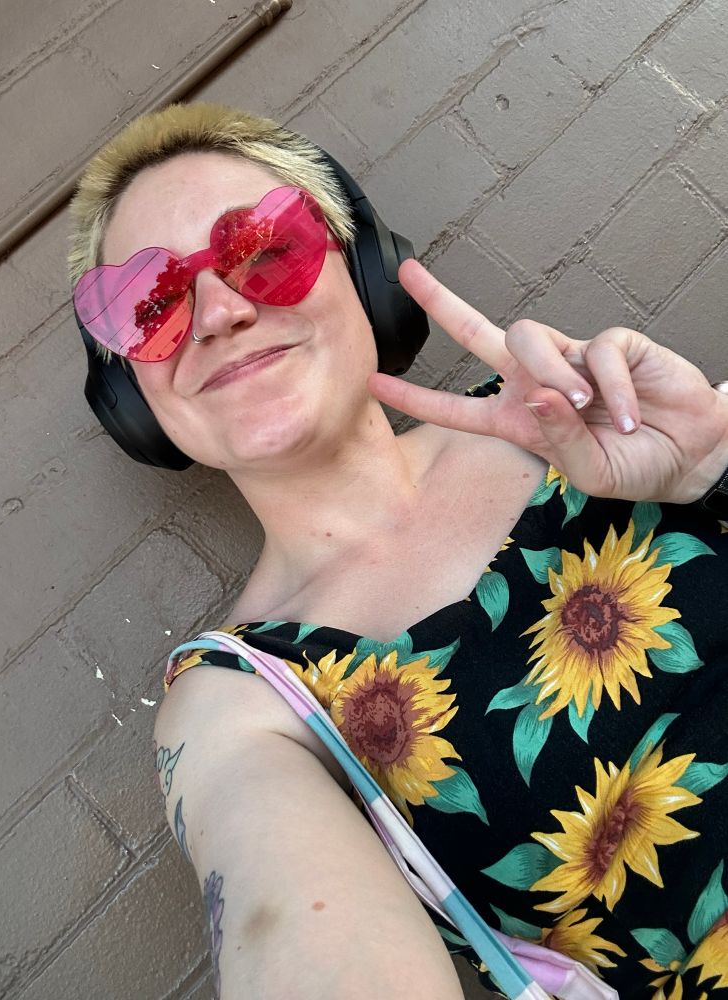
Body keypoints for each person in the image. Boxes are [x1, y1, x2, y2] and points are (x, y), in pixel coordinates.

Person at [68, 102, 728, 999]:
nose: (219, 310)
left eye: (262, 249)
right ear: (130, 393)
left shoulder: (583, 419)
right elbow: (282, 921)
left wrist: (713, 469)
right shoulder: (236, 701)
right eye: (151, 304)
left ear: (363, 269)